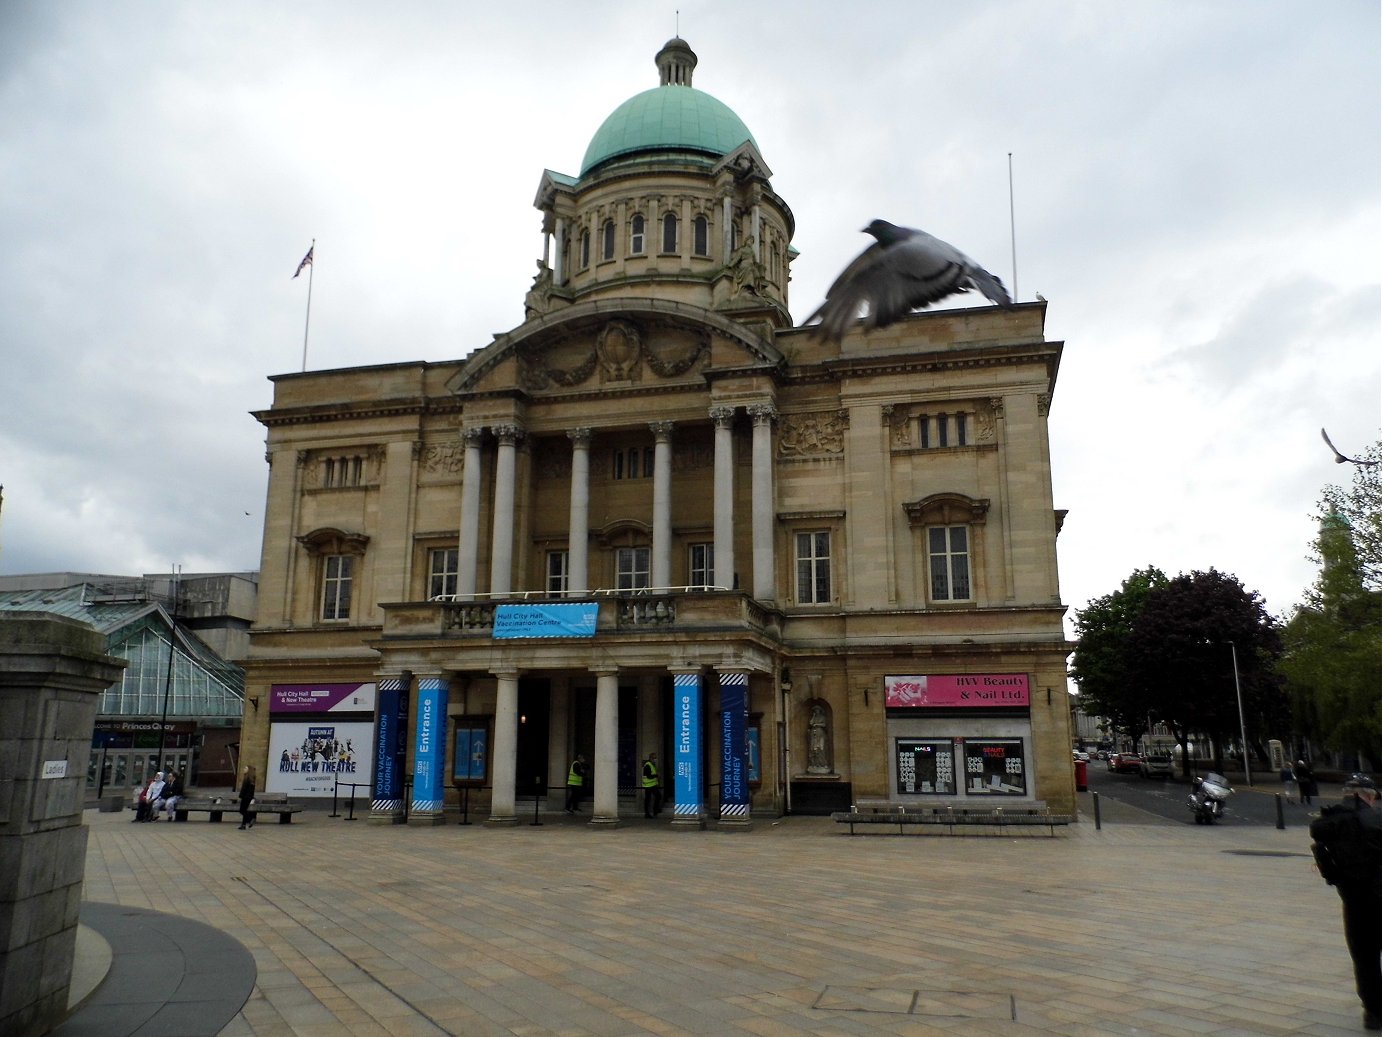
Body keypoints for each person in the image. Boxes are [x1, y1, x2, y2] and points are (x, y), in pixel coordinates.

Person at [1309, 773, 1382, 1030]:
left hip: (1353, 898)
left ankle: (1373, 1011)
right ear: (1368, 795)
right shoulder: (1376, 818)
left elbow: (1318, 834)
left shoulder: (1330, 823)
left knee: (1364, 956)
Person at [641, 752, 661, 818]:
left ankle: (654, 811)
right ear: (651, 758)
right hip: (649, 785)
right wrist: (656, 775)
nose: (655, 759)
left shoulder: (652, 764)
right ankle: (648, 813)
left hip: (652, 784)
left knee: (657, 796)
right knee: (649, 799)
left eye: (656, 758)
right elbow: (649, 776)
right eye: (654, 758)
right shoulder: (648, 765)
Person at [237, 766, 257, 830]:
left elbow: (244, 789)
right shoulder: (252, 779)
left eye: (245, 768)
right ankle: (243, 825)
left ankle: (250, 819)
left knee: (242, 810)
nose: (244, 769)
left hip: (245, 797)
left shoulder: (247, 778)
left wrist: (240, 797)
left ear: (249, 770)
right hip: (249, 797)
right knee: (245, 810)